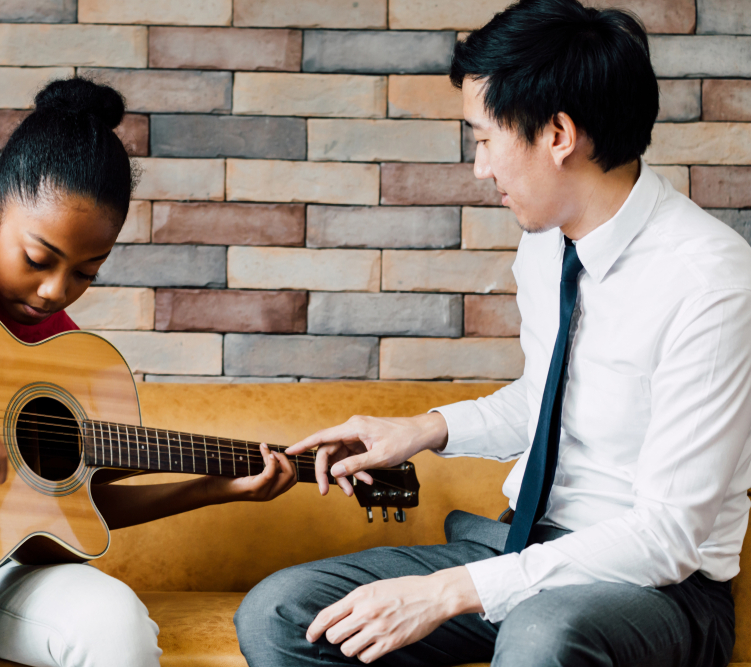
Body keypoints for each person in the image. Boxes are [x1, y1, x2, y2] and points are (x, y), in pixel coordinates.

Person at [234, 0, 751, 665]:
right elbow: (549, 398)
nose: (479, 167)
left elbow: (669, 534)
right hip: (521, 546)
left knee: (543, 635)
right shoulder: (544, 246)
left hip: (660, 588)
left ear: (558, 134)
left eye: (484, 138)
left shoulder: (710, 281)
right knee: (285, 612)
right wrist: (423, 429)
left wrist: (450, 590)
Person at [0, 77, 297, 667]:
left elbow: (71, 510)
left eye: (86, 272)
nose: (54, 290)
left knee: (118, 629)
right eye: (38, 259)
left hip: (4, 572)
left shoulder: (69, 352)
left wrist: (211, 489)